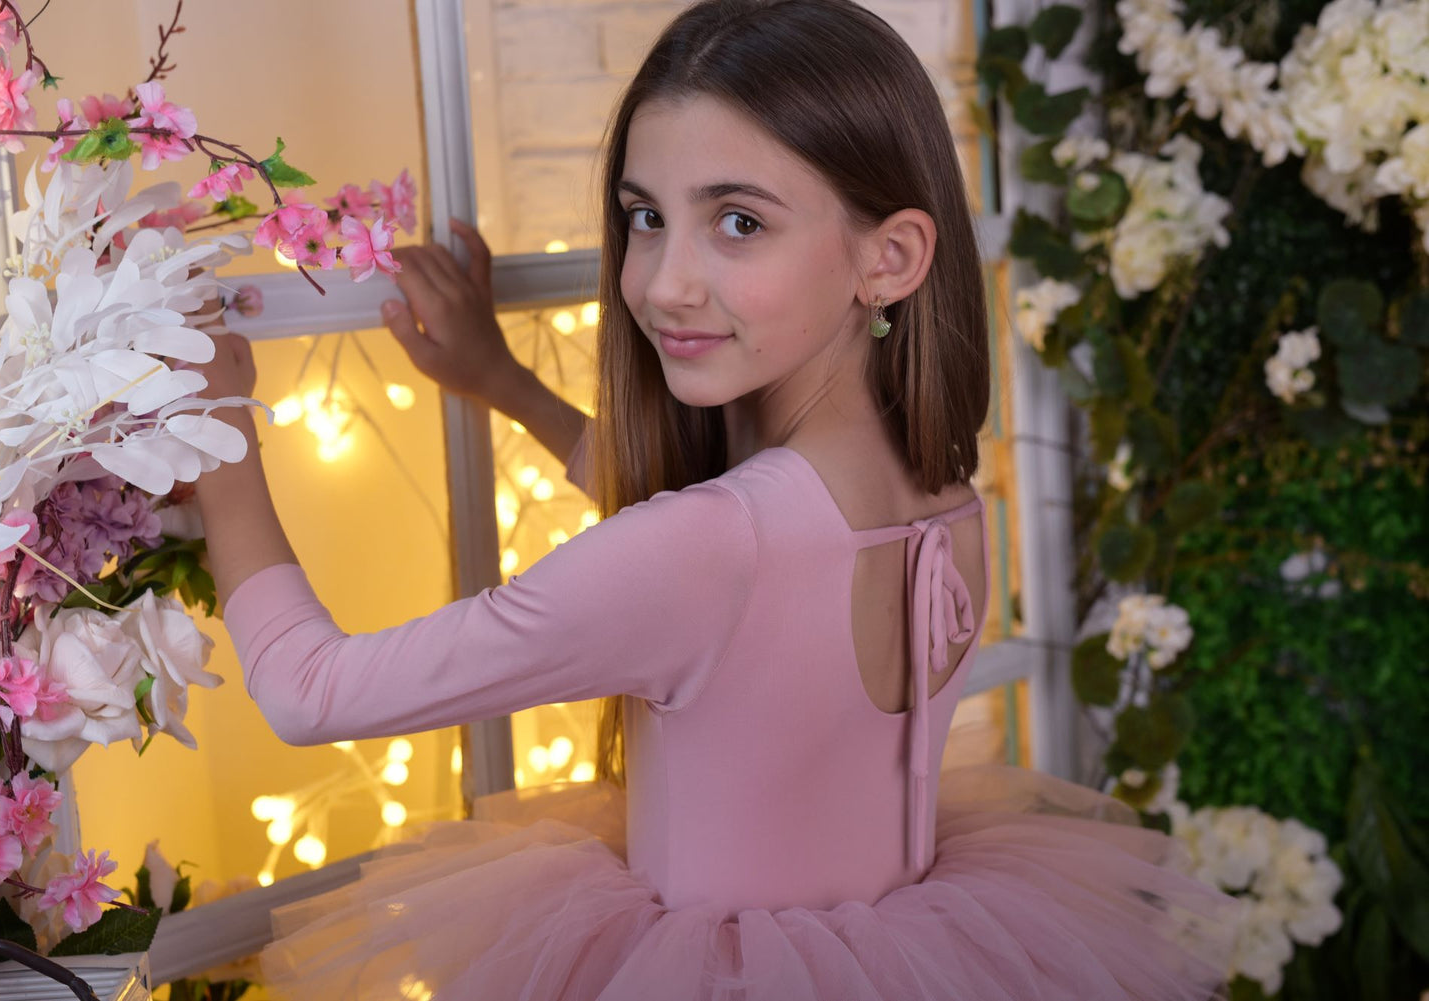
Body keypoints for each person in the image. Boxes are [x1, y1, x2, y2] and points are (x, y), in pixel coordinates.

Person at [194, 0, 1239, 997]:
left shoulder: (709, 546)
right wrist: (506, 385)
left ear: (892, 257)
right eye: (646, 217)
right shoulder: (943, 493)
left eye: (738, 222)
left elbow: (309, 691)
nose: (661, 282)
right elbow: (733, 550)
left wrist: (218, 423)